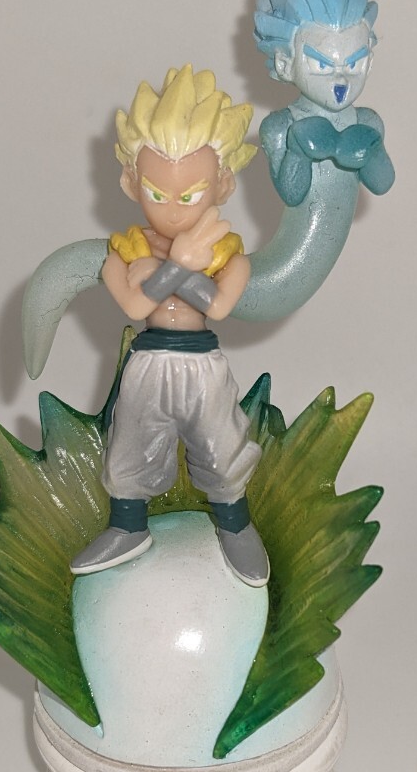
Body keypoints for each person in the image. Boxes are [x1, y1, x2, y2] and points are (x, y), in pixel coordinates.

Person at [70, 65, 269, 587]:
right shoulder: (126, 250)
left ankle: (236, 524)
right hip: (149, 360)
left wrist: (176, 269)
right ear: (130, 182)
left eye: (191, 195)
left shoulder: (228, 255)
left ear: (223, 184)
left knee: (221, 449)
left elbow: (219, 307)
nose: (174, 212)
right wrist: (180, 263)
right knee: (129, 447)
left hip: (202, 364)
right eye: (157, 194)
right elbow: (135, 306)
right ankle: (127, 525)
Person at [253, 0, 395, 205]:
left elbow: (382, 184)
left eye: (354, 64)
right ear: (284, 64)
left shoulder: (367, 121)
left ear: (369, 62)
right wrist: (298, 151)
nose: (341, 81)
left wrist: (373, 150)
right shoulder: (280, 127)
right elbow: (292, 195)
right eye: (321, 65)